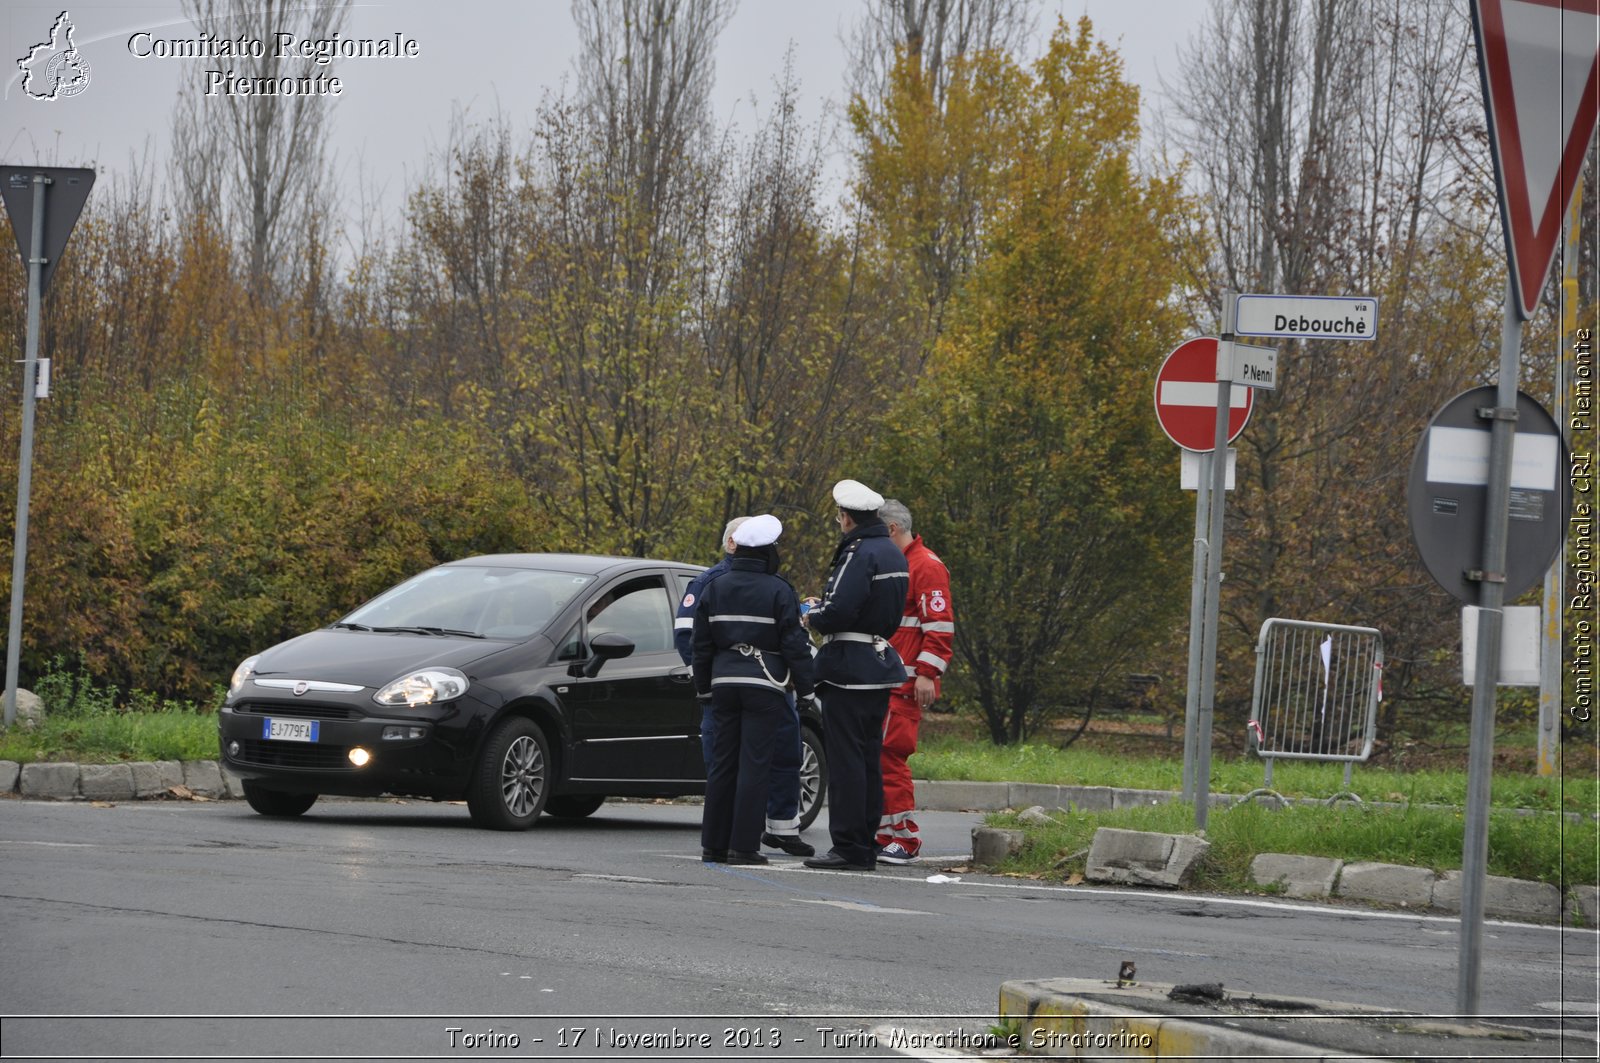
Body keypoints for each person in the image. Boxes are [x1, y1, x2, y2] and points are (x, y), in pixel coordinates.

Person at [675, 518, 814, 857]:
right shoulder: (778, 589)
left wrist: (704, 686)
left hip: (723, 686)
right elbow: (794, 644)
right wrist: (807, 690)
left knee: (723, 765)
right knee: (754, 764)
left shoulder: (716, 587)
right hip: (763, 686)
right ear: (768, 551)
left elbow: (701, 642)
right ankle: (744, 847)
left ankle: (713, 846)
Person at [800, 479, 909, 871]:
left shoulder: (860, 553)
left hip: (847, 667)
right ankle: (864, 843)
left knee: (846, 762)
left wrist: (811, 613)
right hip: (877, 665)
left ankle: (847, 847)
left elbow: (839, 610)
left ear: (846, 518)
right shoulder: (894, 553)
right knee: (867, 760)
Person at [875, 498, 954, 865]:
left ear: (892, 529)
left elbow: (939, 627)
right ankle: (885, 833)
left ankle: (904, 838)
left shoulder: (926, 566)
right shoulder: (904, 564)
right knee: (881, 757)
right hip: (891, 679)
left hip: (906, 682)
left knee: (891, 757)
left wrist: (927, 673)